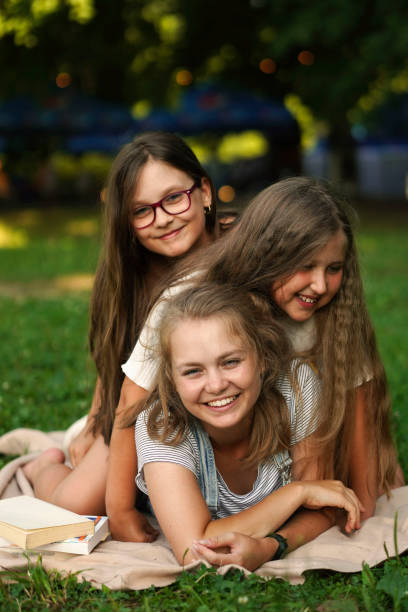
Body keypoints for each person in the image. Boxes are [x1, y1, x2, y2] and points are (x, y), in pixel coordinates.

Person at [122, 176, 402, 537]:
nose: (319, 285)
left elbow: (359, 396)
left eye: (334, 268)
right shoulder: (190, 302)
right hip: (163, 425)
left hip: (276, 441)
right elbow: (130, 402)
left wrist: (364, 497)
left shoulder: (332, 318)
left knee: (388, 484)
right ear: (268, 254)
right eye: (305, 265)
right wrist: (120, 508)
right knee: (82, 494)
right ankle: (44, 467)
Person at [23, 131, 220, 540]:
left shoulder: (242, 251)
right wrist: (97, 422)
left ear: (204, 192)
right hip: (135, 418)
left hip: (211, 405)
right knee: (73, 506)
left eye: (173, 198)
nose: (162, 218)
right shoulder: (135, 278)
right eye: (142, 210)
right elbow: (117, 363)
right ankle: (42, 464)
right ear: (126, 223)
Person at [135, 282, 363, 570]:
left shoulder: (295, 388)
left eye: (230, 362)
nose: (216, 385)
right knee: (76, 496)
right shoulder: (161, 426)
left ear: (263, 359)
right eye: (193, 371)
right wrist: (298, 492)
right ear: (172, 379)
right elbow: (193, 549)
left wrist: (270, 546)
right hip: (139, 465)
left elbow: (323, 508)